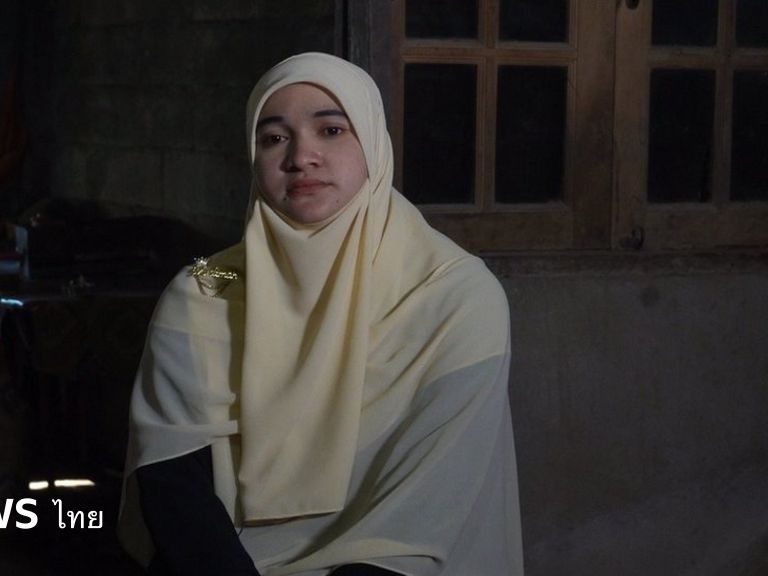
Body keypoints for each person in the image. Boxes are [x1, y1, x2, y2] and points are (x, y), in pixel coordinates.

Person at [118, 52, 523, 576]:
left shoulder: (454, 293)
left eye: (331, 130)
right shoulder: (204, 283)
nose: (301, 157)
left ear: (373, 144)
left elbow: (430, 501)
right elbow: (173, 480)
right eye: (273, 138)